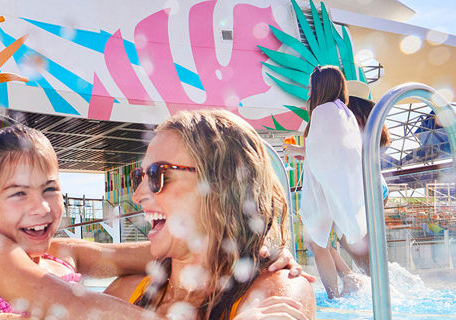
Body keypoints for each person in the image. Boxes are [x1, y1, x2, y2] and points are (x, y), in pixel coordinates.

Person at [103, 109, 315, 319]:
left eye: (157, 174)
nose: (137, 195)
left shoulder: (274, 292)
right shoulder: (125, 292)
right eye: (139, 176)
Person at [0, 125, 155, 319]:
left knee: (141, 279)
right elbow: (73, 307)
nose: (43, 208)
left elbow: (160, 255)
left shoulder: (62, 254)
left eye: (50, 189)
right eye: (19, 193)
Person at [285, 65, 387, 299]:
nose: (309, 92)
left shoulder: (323, 111)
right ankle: (351, 282)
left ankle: (334, 296)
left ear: (321, 86)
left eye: (312, 86)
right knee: (322, 243)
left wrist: (297, 149)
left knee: (316, 243)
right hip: (338, 185)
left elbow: (323, 151)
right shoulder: (343, 111)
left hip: (325, 187)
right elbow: (337, 150)